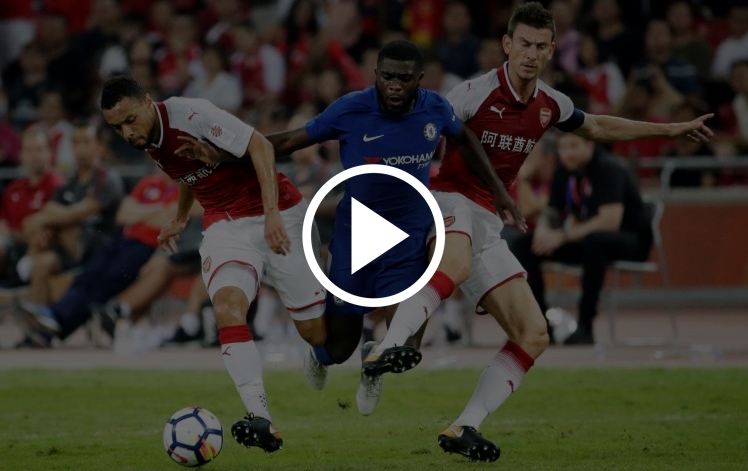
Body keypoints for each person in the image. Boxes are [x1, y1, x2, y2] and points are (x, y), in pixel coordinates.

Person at [365, 2, 713, 462]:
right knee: (455, 265)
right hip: (448, 201)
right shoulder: (470, 93)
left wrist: (669, 130)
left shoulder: (551, 104)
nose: (531, 53)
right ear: (507, 45)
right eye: (524, 44)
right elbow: (418, 133)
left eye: (541, 46)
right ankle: (386, 348)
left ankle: (463, 425)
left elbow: (599, 126)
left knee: (534, 333)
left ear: (551, 51)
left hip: (488, 223)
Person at [179, 40, 520, 417]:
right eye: (387, 76)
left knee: (406, 346)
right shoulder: (351, 108)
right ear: (375, 75)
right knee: (337, 349)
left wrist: (498, 190)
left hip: (408, 237)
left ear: (419, 80)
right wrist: (223, 155)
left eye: (404, 78)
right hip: (357, 236)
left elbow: (465, 138)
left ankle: (373, 363)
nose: (394, 85)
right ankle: (319, 356)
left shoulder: (435, 108)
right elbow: (289, 140)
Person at [98, 75, 328, 455]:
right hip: (224, 223)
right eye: (117, 127)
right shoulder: (148, 138)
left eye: (129, 120)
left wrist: (271, 213)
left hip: (279, 211)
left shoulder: (192, 114)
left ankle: (319, 344)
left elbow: (260, 146)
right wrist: (180, 216)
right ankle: (261, 418)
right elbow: (188, 173)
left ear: (148, 101)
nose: (126, 132)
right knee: (226, 307)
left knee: (316, 334)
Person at [511, 132, 654, 345]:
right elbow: (552, 213)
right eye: (563, 148)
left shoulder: (608, 168)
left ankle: (585, 326)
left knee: (595, 242)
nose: (568, 153)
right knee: (524, 245)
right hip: (589, 241)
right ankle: (541, 326)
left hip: (631, 240)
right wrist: (542, 233)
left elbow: (609, 222)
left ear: (589, 145)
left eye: (574, 146)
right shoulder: (563, 171)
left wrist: (562, 236)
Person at [18, 170, 182, 347]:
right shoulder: (148, 182)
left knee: (104, 282)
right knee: (88, 275)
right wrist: (159, 209)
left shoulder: (184, 189)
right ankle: (54, 318)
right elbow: (123, 215)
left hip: (149, 247)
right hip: (123, 241)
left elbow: (169, 219)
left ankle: (54, 319)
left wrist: (140, 213)